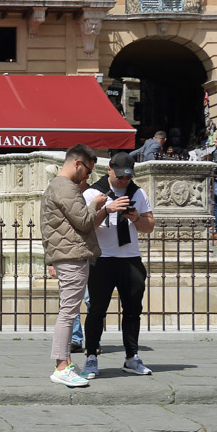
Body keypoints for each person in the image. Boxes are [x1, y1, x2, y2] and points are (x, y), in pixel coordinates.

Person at [82, 152, 156, 378]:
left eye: (128, 177)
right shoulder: (93, 193)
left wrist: (135, 217)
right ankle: (91, 356)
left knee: (133, 311)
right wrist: (106, 210)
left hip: (130, 259)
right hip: (102, 259)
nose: (124, 181)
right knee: (96, 310)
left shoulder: (138, 192)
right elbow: (86, 226)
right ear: (109, 170)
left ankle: (131, 357)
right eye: (120, 176)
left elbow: (149, 226)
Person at [40, 144, 107, 388]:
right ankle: (60, 366)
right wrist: (96, 203)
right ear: (77, 163)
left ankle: (65, 363)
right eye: (88, 170)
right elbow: (83, 220)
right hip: (71, 255)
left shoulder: (58, 186)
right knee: (68, 313)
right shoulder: (65, 187)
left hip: (68, 253)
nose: (88, 176)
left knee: (68, 311)